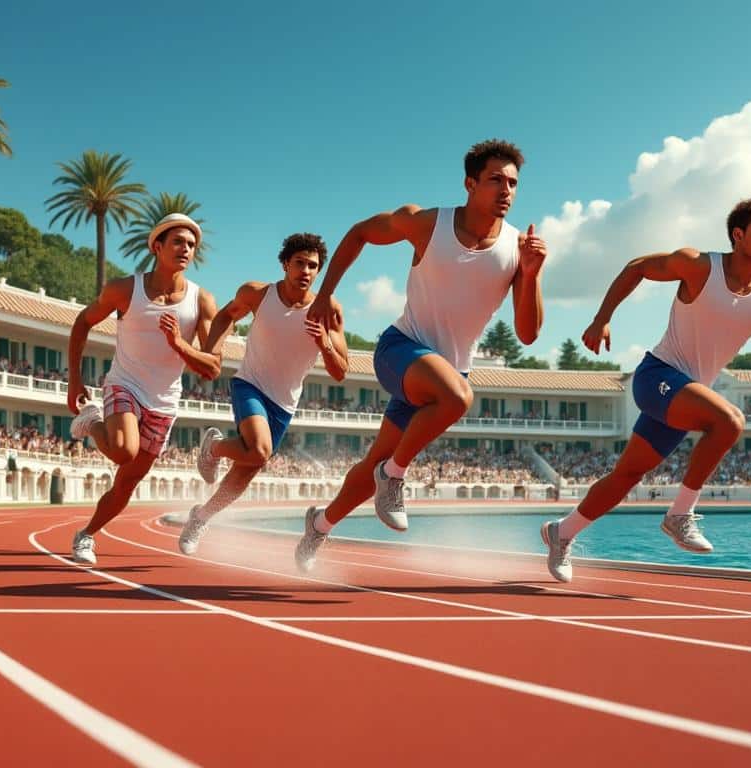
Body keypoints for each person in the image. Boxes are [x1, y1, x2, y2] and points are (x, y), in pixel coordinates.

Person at [295, 139, 547, 572]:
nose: (506, 190)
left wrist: (531, 274)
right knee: (458, 398)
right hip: (401, 349)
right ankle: (393, 478)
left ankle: (319, 524)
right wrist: (326, 293)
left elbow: (527, 334)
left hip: (440, 375)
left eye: (513, 183)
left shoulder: (515, 249)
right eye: (495, 180)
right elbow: (360, 233)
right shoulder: (427, 223)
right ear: (470, 184)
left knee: (375, 460)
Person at [540, 197, 751, 582]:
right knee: (730, 421)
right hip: (658, 376)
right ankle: (679, 515)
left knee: (626, 476)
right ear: (738, 235)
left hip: (687, 393)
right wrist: (602, 318)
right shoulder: (700, 265)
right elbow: (637, 267)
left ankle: (561, 532)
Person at [178, 233, 349, 555]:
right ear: (286, 264)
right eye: (300, 263)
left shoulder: (329, 310)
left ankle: (200, 517)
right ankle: (214, 447)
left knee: (243, 475)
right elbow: (227, 315)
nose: (306, 272)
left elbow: (340, 372)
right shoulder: (257, 294)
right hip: (251, 384)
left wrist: (325, 343)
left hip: (284, 403)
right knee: (259, 450)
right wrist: (211, 350)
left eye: (313, 266)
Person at [65, 213, 221, 565]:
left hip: (164, 401)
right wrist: (74, 377)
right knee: (123, 450)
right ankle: (93, 421)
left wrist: (179, 344)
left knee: (126, 484)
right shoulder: (124, 290)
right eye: (178, 242)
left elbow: (211, 367)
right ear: (157, 246)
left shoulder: (201, 301)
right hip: (125, 384)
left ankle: (85, 535)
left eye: (192, 245)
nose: (186, 249)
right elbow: (82, 322)